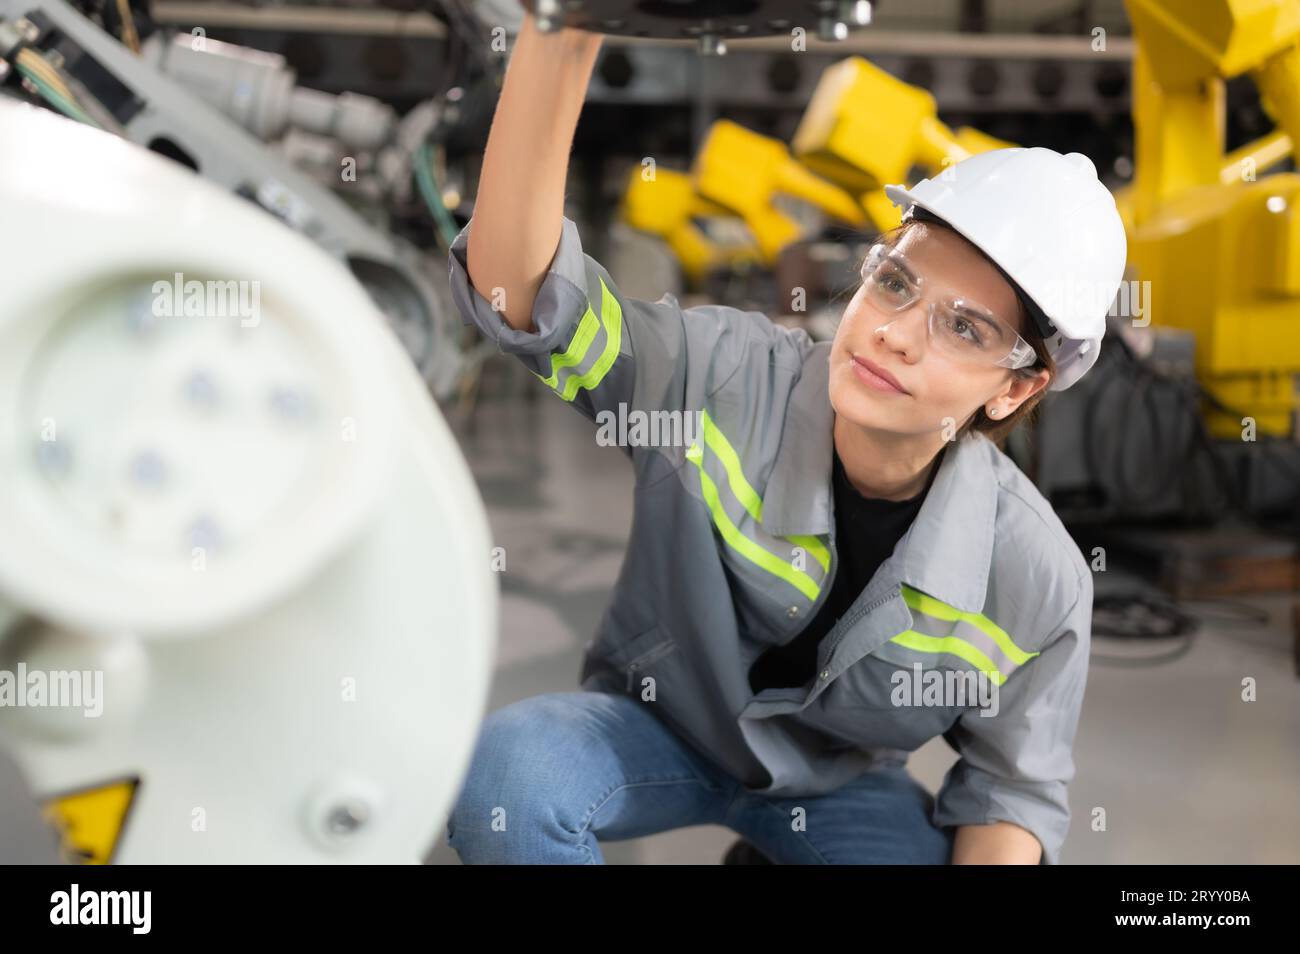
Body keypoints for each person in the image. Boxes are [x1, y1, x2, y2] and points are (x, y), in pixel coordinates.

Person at [442, 14, 1126, 864]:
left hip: (836, 788)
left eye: (964, 329)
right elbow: (527, 299)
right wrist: (564, 35)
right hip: (655, 728)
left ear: (1017, 387)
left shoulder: (1036, 579)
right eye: (896, 283)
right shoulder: (728, 380)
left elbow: (1011, 788)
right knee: (513, 783)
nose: (896, 334)